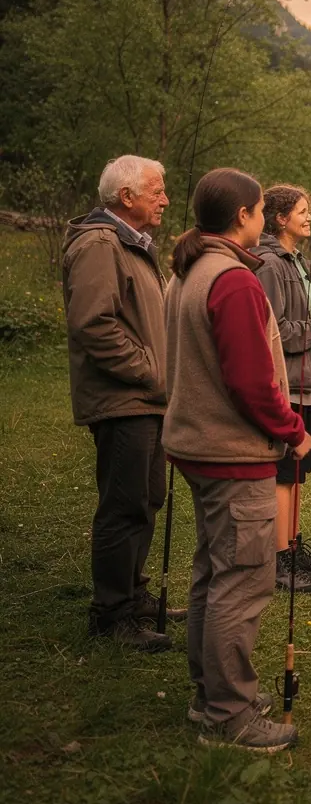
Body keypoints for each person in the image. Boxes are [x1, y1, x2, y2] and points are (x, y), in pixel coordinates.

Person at [164, 167, 311, 753]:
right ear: (244, 216)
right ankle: (229, 715)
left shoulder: (188, 270)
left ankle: (210, 696)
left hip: (196, 445)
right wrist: (293, 431)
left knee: (213, 571)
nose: (261, 218)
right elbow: (252, 383)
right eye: (258, 209)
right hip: (231, 452)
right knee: (244, 581)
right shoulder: (233, 281)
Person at [62, 154, 185, 652]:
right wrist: (152, 372)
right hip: (124, 399)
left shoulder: (131, 243)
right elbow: (93, 325)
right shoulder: (99, 244)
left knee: (146, 498)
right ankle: (111, 615)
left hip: (144, 400)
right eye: (157, 191)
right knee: (123, 505)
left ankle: (133, 597)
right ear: (126, 196)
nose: (166, 199)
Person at [252, 185, 311, 595]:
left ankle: (292, 545)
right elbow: (271, 330)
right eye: (303, 211)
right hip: (286, 383)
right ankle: (278, 560)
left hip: (306, 382)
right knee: (284, 474)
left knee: (298, 471)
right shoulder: (270, 263)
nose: (309, 217)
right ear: (280, 218)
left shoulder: (297, 260)